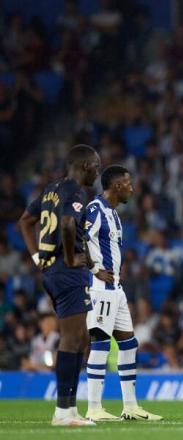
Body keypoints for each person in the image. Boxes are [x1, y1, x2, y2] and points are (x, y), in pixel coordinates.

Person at [17, 144, 100, 426]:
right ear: (86, 166)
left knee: (80, 339)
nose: (97, 173)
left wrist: (37, 255)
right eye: (96, 167)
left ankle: (70, 408)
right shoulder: (76, 190)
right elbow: (66, 224)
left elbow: (25, 222)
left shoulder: (52, 189)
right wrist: (70, 257)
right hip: (66, 271)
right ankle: (63, 412)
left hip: (53, 271)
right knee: (72, 338)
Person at [84, 165, 162, 421]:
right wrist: (95, 268)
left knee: (129, 344)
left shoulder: (114, 215)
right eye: (128, 183)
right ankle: (94, 407)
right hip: (100, 290)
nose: (132, 187)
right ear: (116, 186)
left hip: (116, 289)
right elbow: (76, 237)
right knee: (101, 345)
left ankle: (130, 406)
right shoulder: (95, 210)